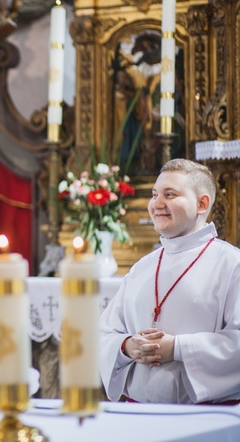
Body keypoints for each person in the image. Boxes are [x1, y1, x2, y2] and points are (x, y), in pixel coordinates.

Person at [100, 158, 240, 404]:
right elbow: (105, 332)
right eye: (154, 195)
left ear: (201, 203)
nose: (157, 204)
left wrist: (176, 348)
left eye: (170, 194)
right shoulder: (142, 267)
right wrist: (127, 346)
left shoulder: (231, 264)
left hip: (206, 418)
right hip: (138, 416)